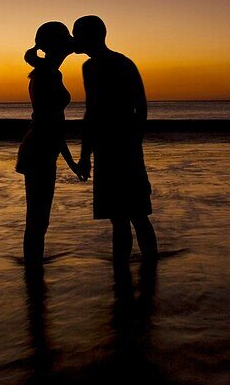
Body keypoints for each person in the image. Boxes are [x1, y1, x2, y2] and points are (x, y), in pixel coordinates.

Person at [73, 15, 158, 262]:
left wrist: (84, 156)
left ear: (88, 37)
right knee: (133, 215)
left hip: (114, 148)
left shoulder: (97, 66)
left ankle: (127, 278)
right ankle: (144, 276)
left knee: (128, 217)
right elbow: (140, 109)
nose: (73, 40)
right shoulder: (122, 63)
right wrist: (134, 143)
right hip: (119, 147)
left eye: (77, 35)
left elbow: (93, 113)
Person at [16, 21, 85, 265]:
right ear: (56, 45)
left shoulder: (47, 70)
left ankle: (33, 275)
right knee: (37, 218)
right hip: (40, 149)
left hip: (41, 148)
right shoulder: (48, 73)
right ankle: (33, 275)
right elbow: (51, 125)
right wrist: (74, 164)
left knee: (38, 218)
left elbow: (53, 125)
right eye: (65, 40)